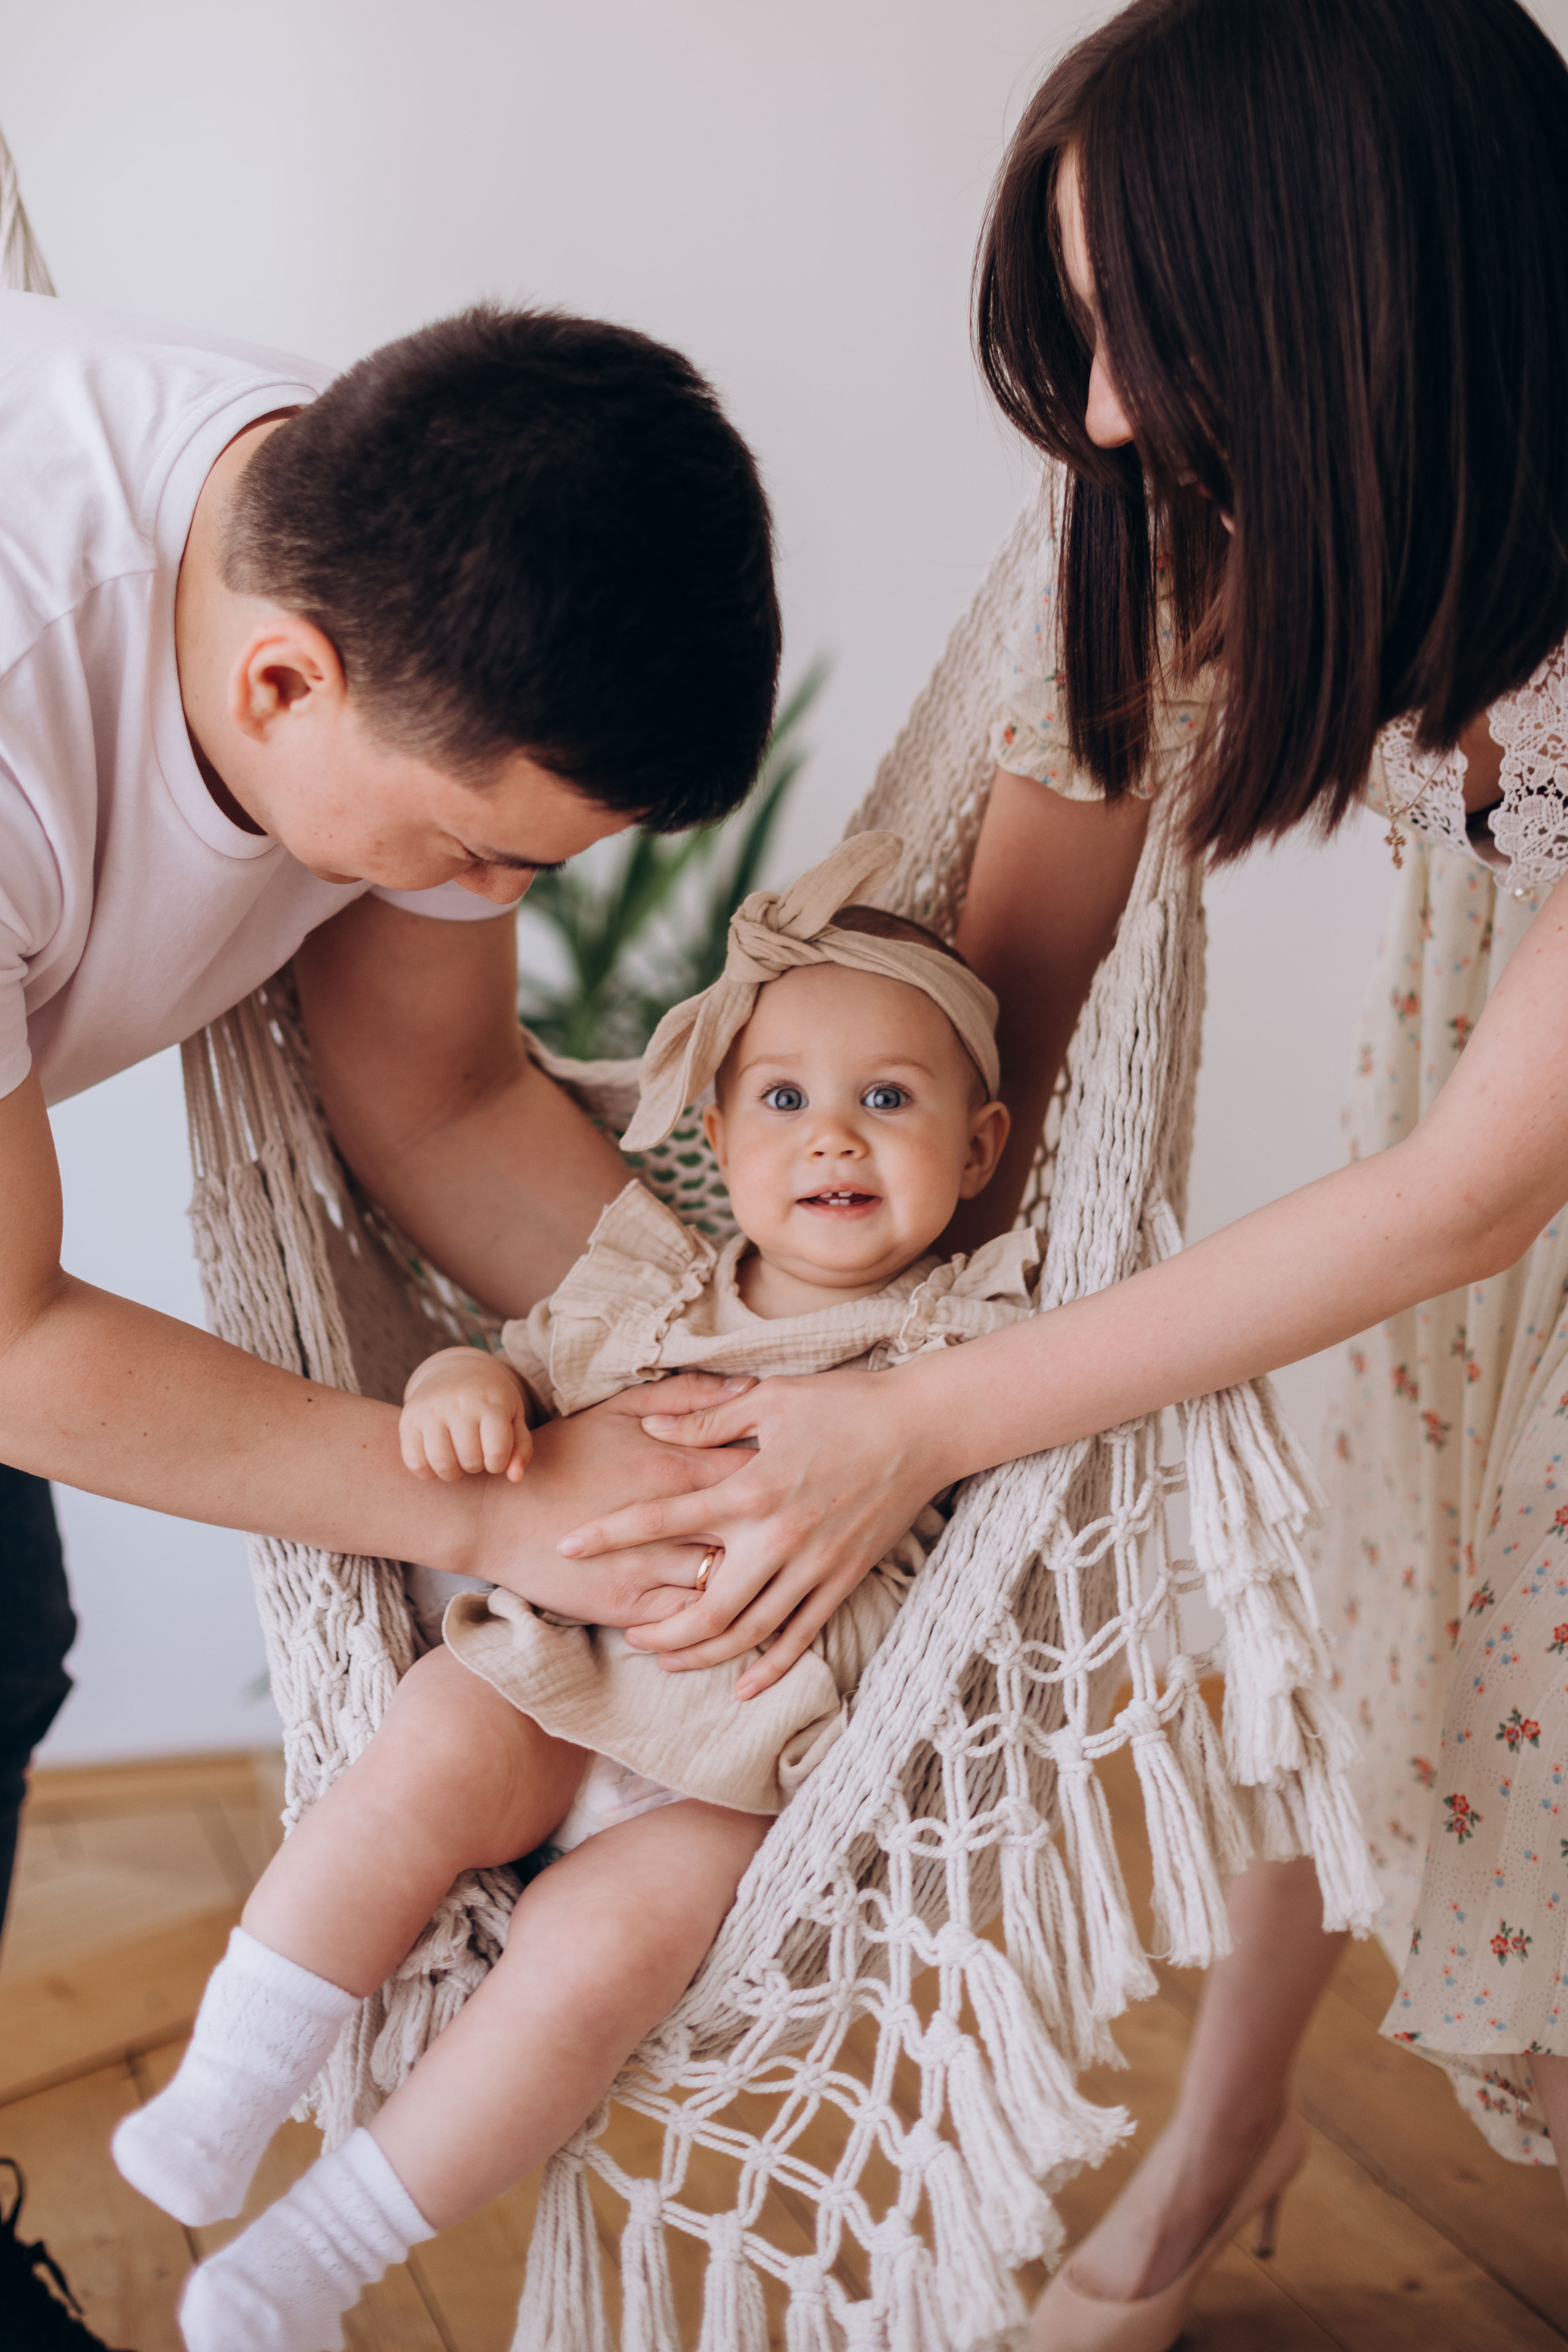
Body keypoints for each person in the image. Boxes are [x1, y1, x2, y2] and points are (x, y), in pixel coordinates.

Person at [546, 0, 1568, 2339]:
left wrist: (925, 1423)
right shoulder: (1182, 503)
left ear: (1372, 302)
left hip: (1506, 1172)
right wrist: (773, 1334)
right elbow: (1012, 990)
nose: (1104, 407)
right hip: (1495, 1156)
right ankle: (1227, 2130)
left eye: (1157, 331)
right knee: (1383, 1623)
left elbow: (1471, 1195)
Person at [108, 833, 1033, 2351]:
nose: (834, 1141)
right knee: (421, 1756)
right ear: (718, 1137)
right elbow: (511, 1367)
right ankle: (225, 2088)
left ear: (981, 1149)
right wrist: (463, 1392)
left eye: (890, 1101)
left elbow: (1038, 1476)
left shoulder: (974, 1338)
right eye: (785, 1101)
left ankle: (317, 2253)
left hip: (734, 1774)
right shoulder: (648, 1283)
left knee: (591, 1974)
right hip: (558, 1676)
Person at [0, 286, 784, 1955]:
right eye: (470, 851)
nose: (486, 897)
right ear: (286, 686)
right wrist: (504, 1514)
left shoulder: (392, 559)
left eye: (533, 867)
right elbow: (7, 1344)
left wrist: (737, 1376)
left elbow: (442, 1100)